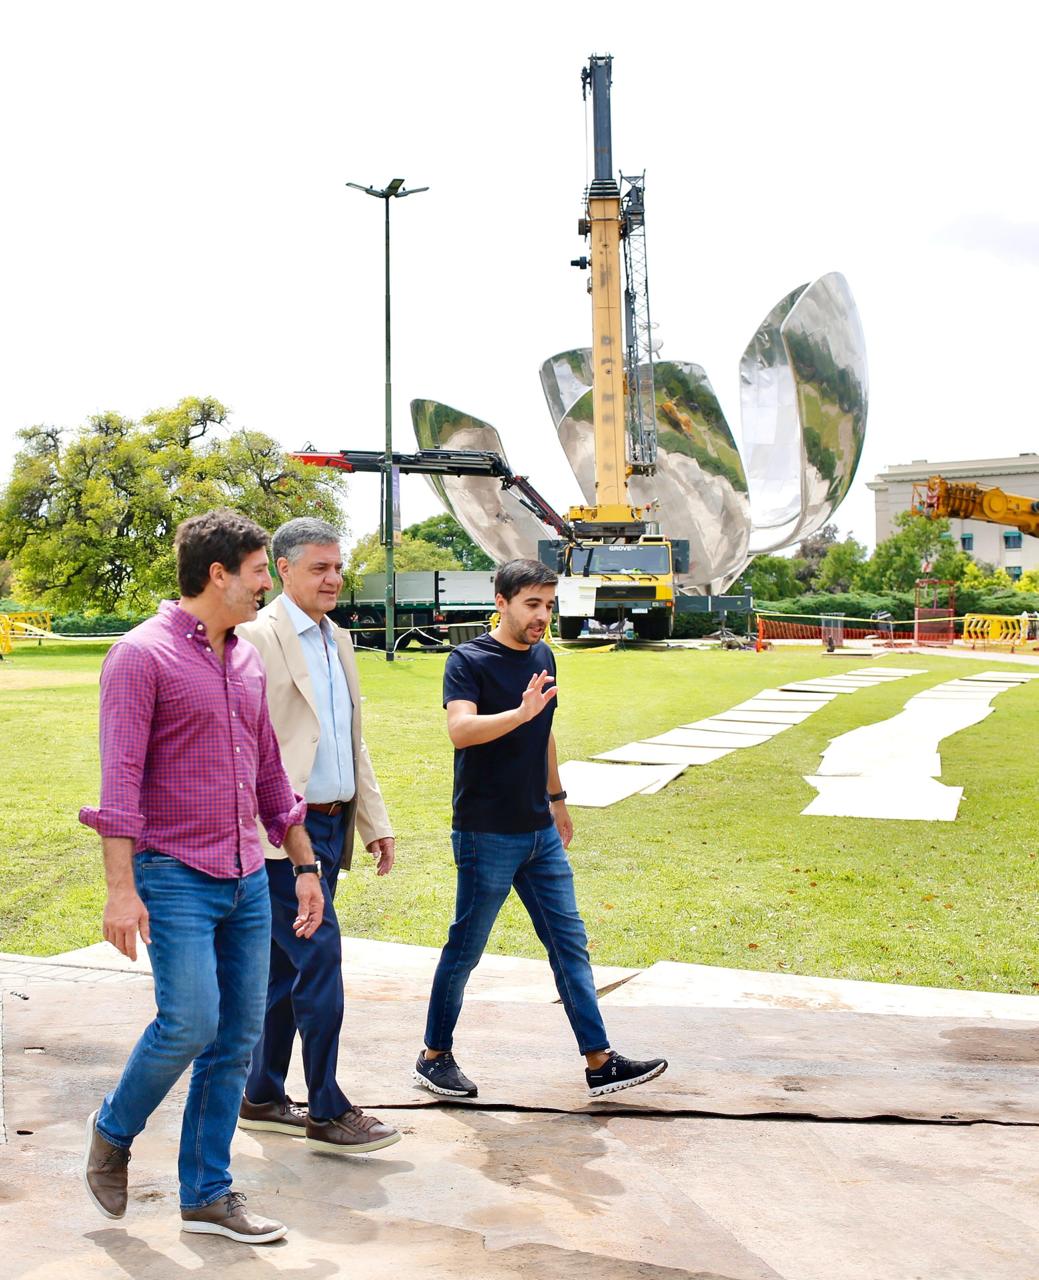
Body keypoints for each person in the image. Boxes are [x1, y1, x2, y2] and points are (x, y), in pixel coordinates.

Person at [80, 508, 323, 1245]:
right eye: (258, 572)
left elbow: (271, 776)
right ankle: (113, 1129)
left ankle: (206, 1194)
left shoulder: (246, 659)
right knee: (190, 1021)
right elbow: (119, 782)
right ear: (218, 574)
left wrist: (304, 864)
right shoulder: (139, 656)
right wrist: (121, 890)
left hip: (246, 874)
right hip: (173, 872)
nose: (265, 586)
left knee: (237, 1036)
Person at [414, 557, 667, 1099]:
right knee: (466, 948)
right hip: (486, 832)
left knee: (569, 943)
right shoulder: (467, 660)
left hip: (539, 832)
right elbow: (461, 730)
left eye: (548, 605)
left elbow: (544, 732)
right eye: (532, 604)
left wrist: (557, 799)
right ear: (501, 602)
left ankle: (599, 1061)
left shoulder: (544, 655)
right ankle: (434, 1056)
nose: (542, 616)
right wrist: (520, 714)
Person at [236, 517, 399, 1155]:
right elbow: (245, 744)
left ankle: (261, 1095)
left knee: (285, 966)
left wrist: (374, 822)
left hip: (333, 823)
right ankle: (327, 1108)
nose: (333, 579)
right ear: (283, 569)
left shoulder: (339, 638)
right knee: (319, 958)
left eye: (337, 567)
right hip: (283, 835)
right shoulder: (255, 637)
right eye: (319, 568)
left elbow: (349, 740)